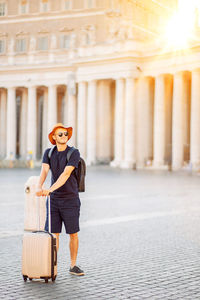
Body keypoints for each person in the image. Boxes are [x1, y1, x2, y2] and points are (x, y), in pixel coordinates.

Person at [36, 123, 84, 276]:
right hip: (54, 201)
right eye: (60, 134)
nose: (64, 136)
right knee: (53, 234)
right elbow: (44, 170)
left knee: (73, 233)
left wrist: (49, 189)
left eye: (65, 134)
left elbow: (65, 174)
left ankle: (73, 265)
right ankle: (52, 266)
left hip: (70, 199)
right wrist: (39, 186)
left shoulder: (73, 153)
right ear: (54, 137)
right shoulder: (49, 153)